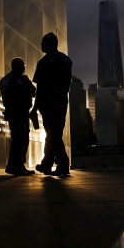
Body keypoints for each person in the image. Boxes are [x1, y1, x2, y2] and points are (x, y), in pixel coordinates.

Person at [30, 33, 72, 176]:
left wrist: (58, 101)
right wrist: (35, 107)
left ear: (52, 43)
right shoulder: (41, 62)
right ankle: (50, 164)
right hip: (45, 105)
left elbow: (65, 83)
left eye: (44, 42)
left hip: (57, 103)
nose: (41, 44)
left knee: (54, 134)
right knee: (52, 135)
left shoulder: (62, 60)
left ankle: (54, 164)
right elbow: (40, 88)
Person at [0, 58, 36, 176]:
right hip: (15, 113)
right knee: (18, 140)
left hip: (24, 113)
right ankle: (15, 166)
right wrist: (12, 111)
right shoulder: (7, 80)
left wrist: (28, 83)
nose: (22, 68)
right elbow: (6, 97)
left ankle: (18, 165)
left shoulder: (23, 79)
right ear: (13, 66)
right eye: (19, 65)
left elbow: (34, 92)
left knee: (24, 139)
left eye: (23, 65)